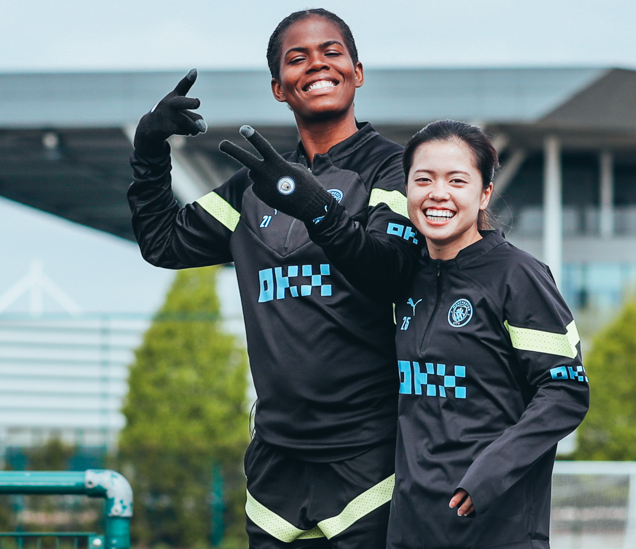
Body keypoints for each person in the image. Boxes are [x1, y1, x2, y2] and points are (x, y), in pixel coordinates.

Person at [127, 9, 421, 549]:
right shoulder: (254, 187)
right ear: (278, 88)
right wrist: (149, 151)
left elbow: (390, 272)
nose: (316, 64)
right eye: (297, 57)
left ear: (357, 72)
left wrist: (320, 211)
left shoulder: (394, 169)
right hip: (275, 462)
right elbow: (162, 243)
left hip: (369, 455)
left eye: (331, 52)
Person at [223, 120, 590, 548]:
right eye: (424, 179)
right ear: (407, 190)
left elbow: (565, 392)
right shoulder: (402, 279)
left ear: (484, 192)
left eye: (457, 180)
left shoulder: (518, 275)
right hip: (409, 526)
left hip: (495, 525)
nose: (438, 193)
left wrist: (491, 471)